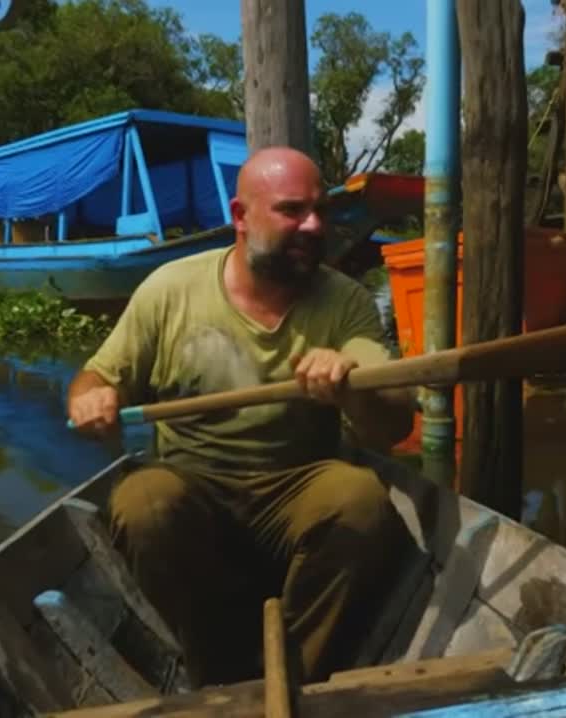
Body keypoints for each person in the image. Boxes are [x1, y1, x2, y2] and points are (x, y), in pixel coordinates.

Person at [65, 146, 418, 688]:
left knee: (362, 502)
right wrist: (90, 399)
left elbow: (391, 423)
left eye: (320, 211)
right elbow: (96, 377)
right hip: (195, 485)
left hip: (295, 486)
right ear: (240, 216)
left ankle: (291, 675)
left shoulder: (344, 301)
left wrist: (350, 385)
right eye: (292, 210)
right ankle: (216, 667)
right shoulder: (170, 290)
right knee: (143, 503)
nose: (314, 226)